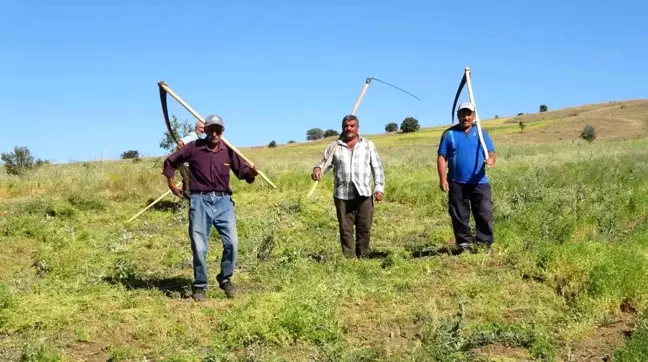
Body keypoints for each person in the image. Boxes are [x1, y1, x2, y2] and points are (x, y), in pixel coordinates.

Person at [163, 115, 258, 301]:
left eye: (218, 130)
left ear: (223, 131)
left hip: (224, 202)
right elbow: (170, 162)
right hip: (199, 201)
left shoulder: (228, 151)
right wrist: (172, 184)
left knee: (232, 243)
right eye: (211, 130)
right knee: (199, 246)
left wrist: (252, 173)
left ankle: (225, 279)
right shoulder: (193, 148)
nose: (215, 133)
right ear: (204, 130)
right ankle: (200, 286)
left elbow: (244, 174)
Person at [311, 114, 385, 258]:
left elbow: (377, 168)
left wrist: (379, 188)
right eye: (346, 126)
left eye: (352, 126)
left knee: (364, 228)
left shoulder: (368, 145)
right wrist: (317, 169)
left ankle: (363, 257)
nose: (349, 128)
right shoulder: (334, 147)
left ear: (358, 127)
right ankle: (349, 259)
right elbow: (324, 163)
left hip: (363, 193)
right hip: (342, 195)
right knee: (345, 229)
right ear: (342, 127)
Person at [437, 102, 496, 254]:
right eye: (463, 114)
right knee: (459, 215)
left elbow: (491, 152)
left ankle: (484, 244)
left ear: (473, 116)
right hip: (457, 182)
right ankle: (464, 245)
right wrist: (443, 179)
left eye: (469, 114)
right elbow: (442, 157)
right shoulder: (449, 134)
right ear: (458, 116)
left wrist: (491, 159)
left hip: (479, 182)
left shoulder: (481, 133)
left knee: (484, 213)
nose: (466, 117)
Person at [177, 121, 205, 199]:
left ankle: (186, 203)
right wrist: (185, 156)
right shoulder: (193, 136)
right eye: (201, 128)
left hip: (190, 165)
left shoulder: (198, 137)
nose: (203, 130)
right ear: (196, 128)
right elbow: (180, 143)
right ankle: (187, 203)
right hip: (186, 164)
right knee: (188, 185)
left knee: (190, 183)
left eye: (204, 128)